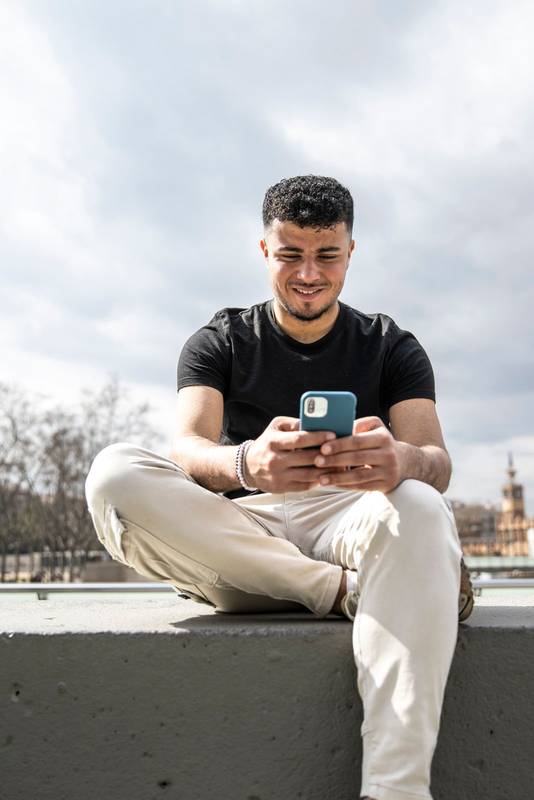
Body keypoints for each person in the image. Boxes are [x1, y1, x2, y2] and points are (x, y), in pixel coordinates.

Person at [85, 174, 474, 800]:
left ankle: (396, 791)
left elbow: (437, 461)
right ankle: (345, 591)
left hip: (351, 519)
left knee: (423, 504)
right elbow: (187, 449)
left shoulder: (391, 345)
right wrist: (246, 465)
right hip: (243, 530)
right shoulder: (219, 339)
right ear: (265, 250)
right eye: (291, 254)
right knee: (114, 474)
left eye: (328, 255)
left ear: (351, 253)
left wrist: (399, 459)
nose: (309, 274)